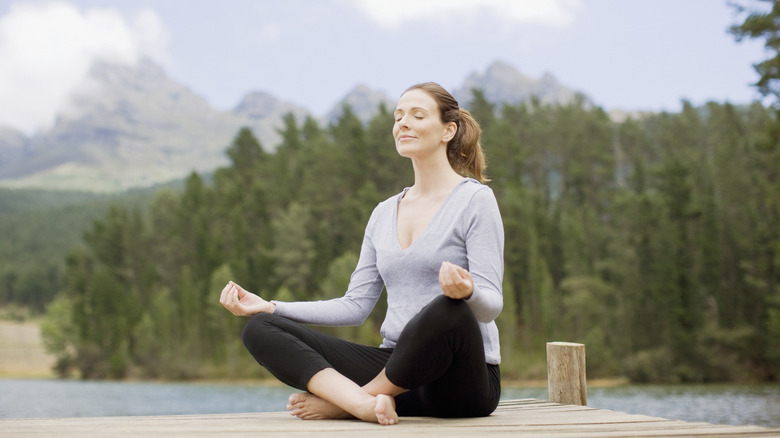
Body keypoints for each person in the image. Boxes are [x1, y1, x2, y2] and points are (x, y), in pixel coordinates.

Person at [219, 82, 504, 426]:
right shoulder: (383, 213)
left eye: (417, 115)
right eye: (398, 117)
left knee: (447, 309)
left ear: (448, 130)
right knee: (261, 327)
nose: (403, 123)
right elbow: (355, 306)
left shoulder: (474, 201)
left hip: (461, 385)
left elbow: (492, 306)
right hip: (400, 375)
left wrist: (467, 292)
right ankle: (363, 402)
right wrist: (271, 306)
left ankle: (348, 403)